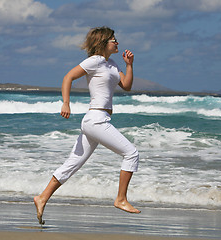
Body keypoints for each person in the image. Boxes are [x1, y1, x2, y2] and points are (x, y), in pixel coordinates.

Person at [34, 26, 140, 225]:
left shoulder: (111, 63)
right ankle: (121, 199)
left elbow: (126, 86)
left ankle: (42, 198)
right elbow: (68, 77)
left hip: (98, 120)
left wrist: (129, 65)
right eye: (113, 40)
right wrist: (66, 102)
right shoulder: (94, 61)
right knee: (131, 153)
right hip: (96, 119)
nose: (117, 42)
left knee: (72, 164)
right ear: (102, 43)